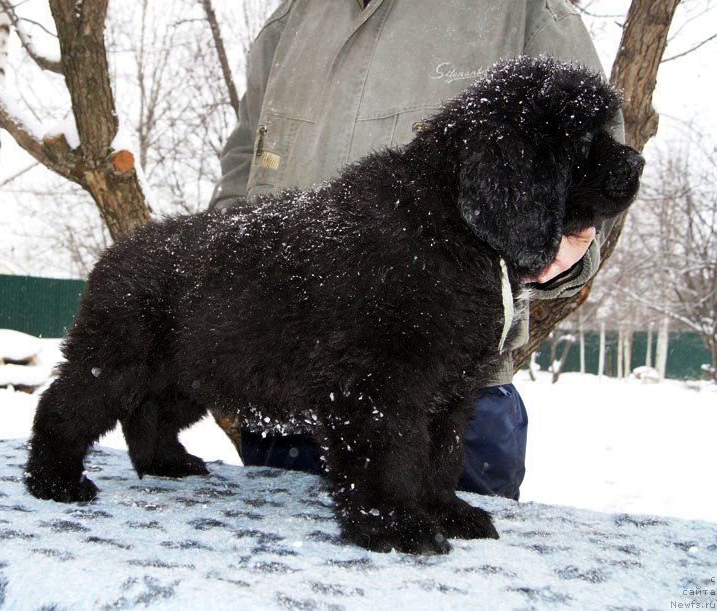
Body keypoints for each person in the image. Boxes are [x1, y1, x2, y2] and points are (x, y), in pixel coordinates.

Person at [208, 0, 624, 501]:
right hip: (288, 400)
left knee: (445, 569)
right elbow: (241, 175)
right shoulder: (292, 20)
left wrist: (563, 242)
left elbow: (592, 177)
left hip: (445, 404)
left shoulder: (525, 12)